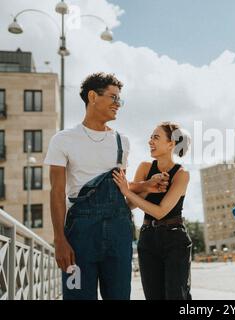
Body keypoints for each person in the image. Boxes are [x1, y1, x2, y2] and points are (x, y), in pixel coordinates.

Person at [45, 72, 167, 300]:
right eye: (113, 97)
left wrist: (145, 187)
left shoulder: (123, 142)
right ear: (93, 96)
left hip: (119, 232)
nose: (117, 104)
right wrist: (60, 240)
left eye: (119, 99)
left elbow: (121, 194)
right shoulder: (62, 140)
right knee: (77, 296)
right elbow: (56, 193)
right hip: (80, 235)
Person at [112, 122, 192, 300]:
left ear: (171, 144)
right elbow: (130, 205)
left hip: (175, 239)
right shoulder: (145, 168)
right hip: (148, 238)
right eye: (150, 137)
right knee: (153, 296)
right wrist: (148, 187)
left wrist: (127, 190)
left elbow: (160, 212)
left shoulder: (181, 174)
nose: (150, 141)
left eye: (156, 137)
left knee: (176, 296)